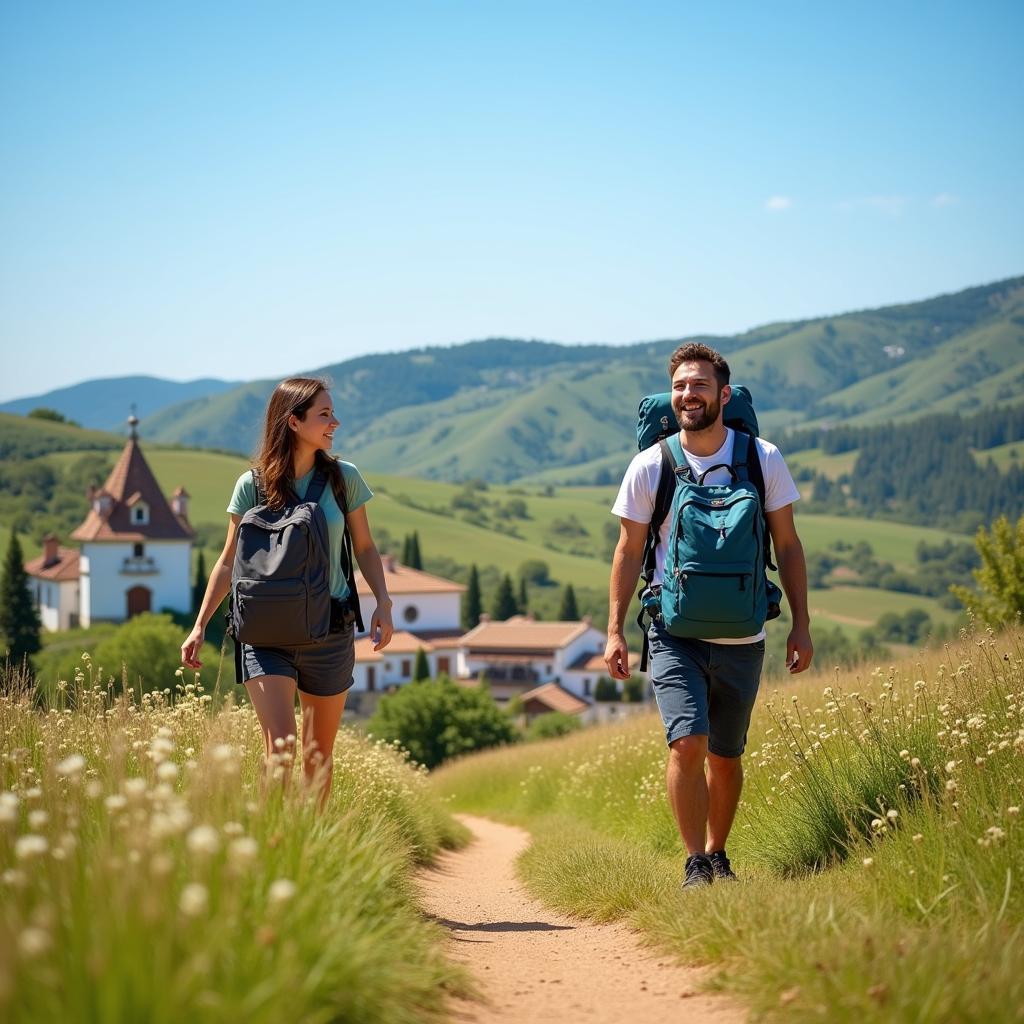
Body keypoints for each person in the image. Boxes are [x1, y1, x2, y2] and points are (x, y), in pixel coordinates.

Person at [604, 342, 812, 888]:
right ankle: (695, 860)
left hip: (744, 633)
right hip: (673, 630)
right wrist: (615, 631)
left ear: (723, 393)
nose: (687, 395)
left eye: (697, 385)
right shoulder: (652, 464)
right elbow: (628, 551)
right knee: (687, 742)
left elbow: (788, 545)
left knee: (725, 754)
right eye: (678, 386)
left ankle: (719, 854)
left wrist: (802, 625)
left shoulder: (762, 458)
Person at [181, 377, 394, 805]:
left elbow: (366, 548)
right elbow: (227, 561)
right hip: (264, 636)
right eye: (324, 414)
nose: (336, 421)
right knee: (279, 749)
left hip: (329, 632)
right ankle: (271, 849)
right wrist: (200, 624)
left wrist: (383, 604)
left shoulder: (343, 478)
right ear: (294, 422)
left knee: (317, 757)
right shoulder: (251, 485)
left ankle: (309, 853)